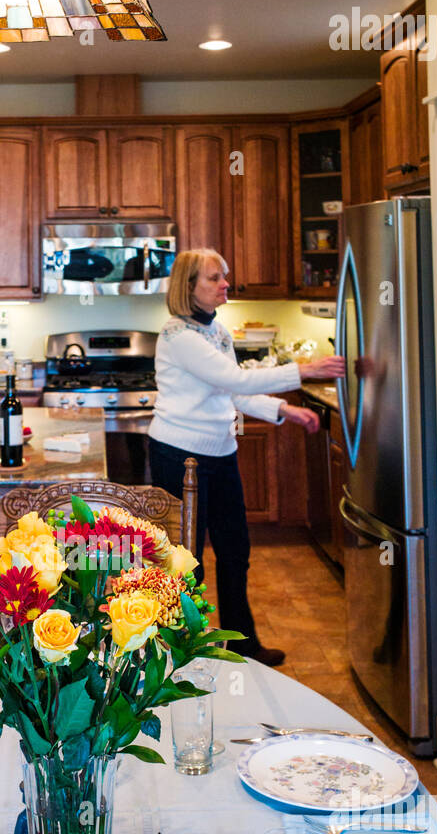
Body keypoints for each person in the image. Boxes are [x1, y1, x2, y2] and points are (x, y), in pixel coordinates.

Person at [148, 248, 346, 666]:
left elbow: (233, 391)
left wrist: (282, 409)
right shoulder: (177, 336)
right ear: (189, 287)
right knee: (187, 561)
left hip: (221, 454)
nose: (225, 285)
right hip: (180, 457)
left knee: (235, 551)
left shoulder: (217, 331)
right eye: (214, 278)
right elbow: (231, 377)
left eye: (225, 276)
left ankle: (242, 642)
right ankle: (186, 651)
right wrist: (305, 370)